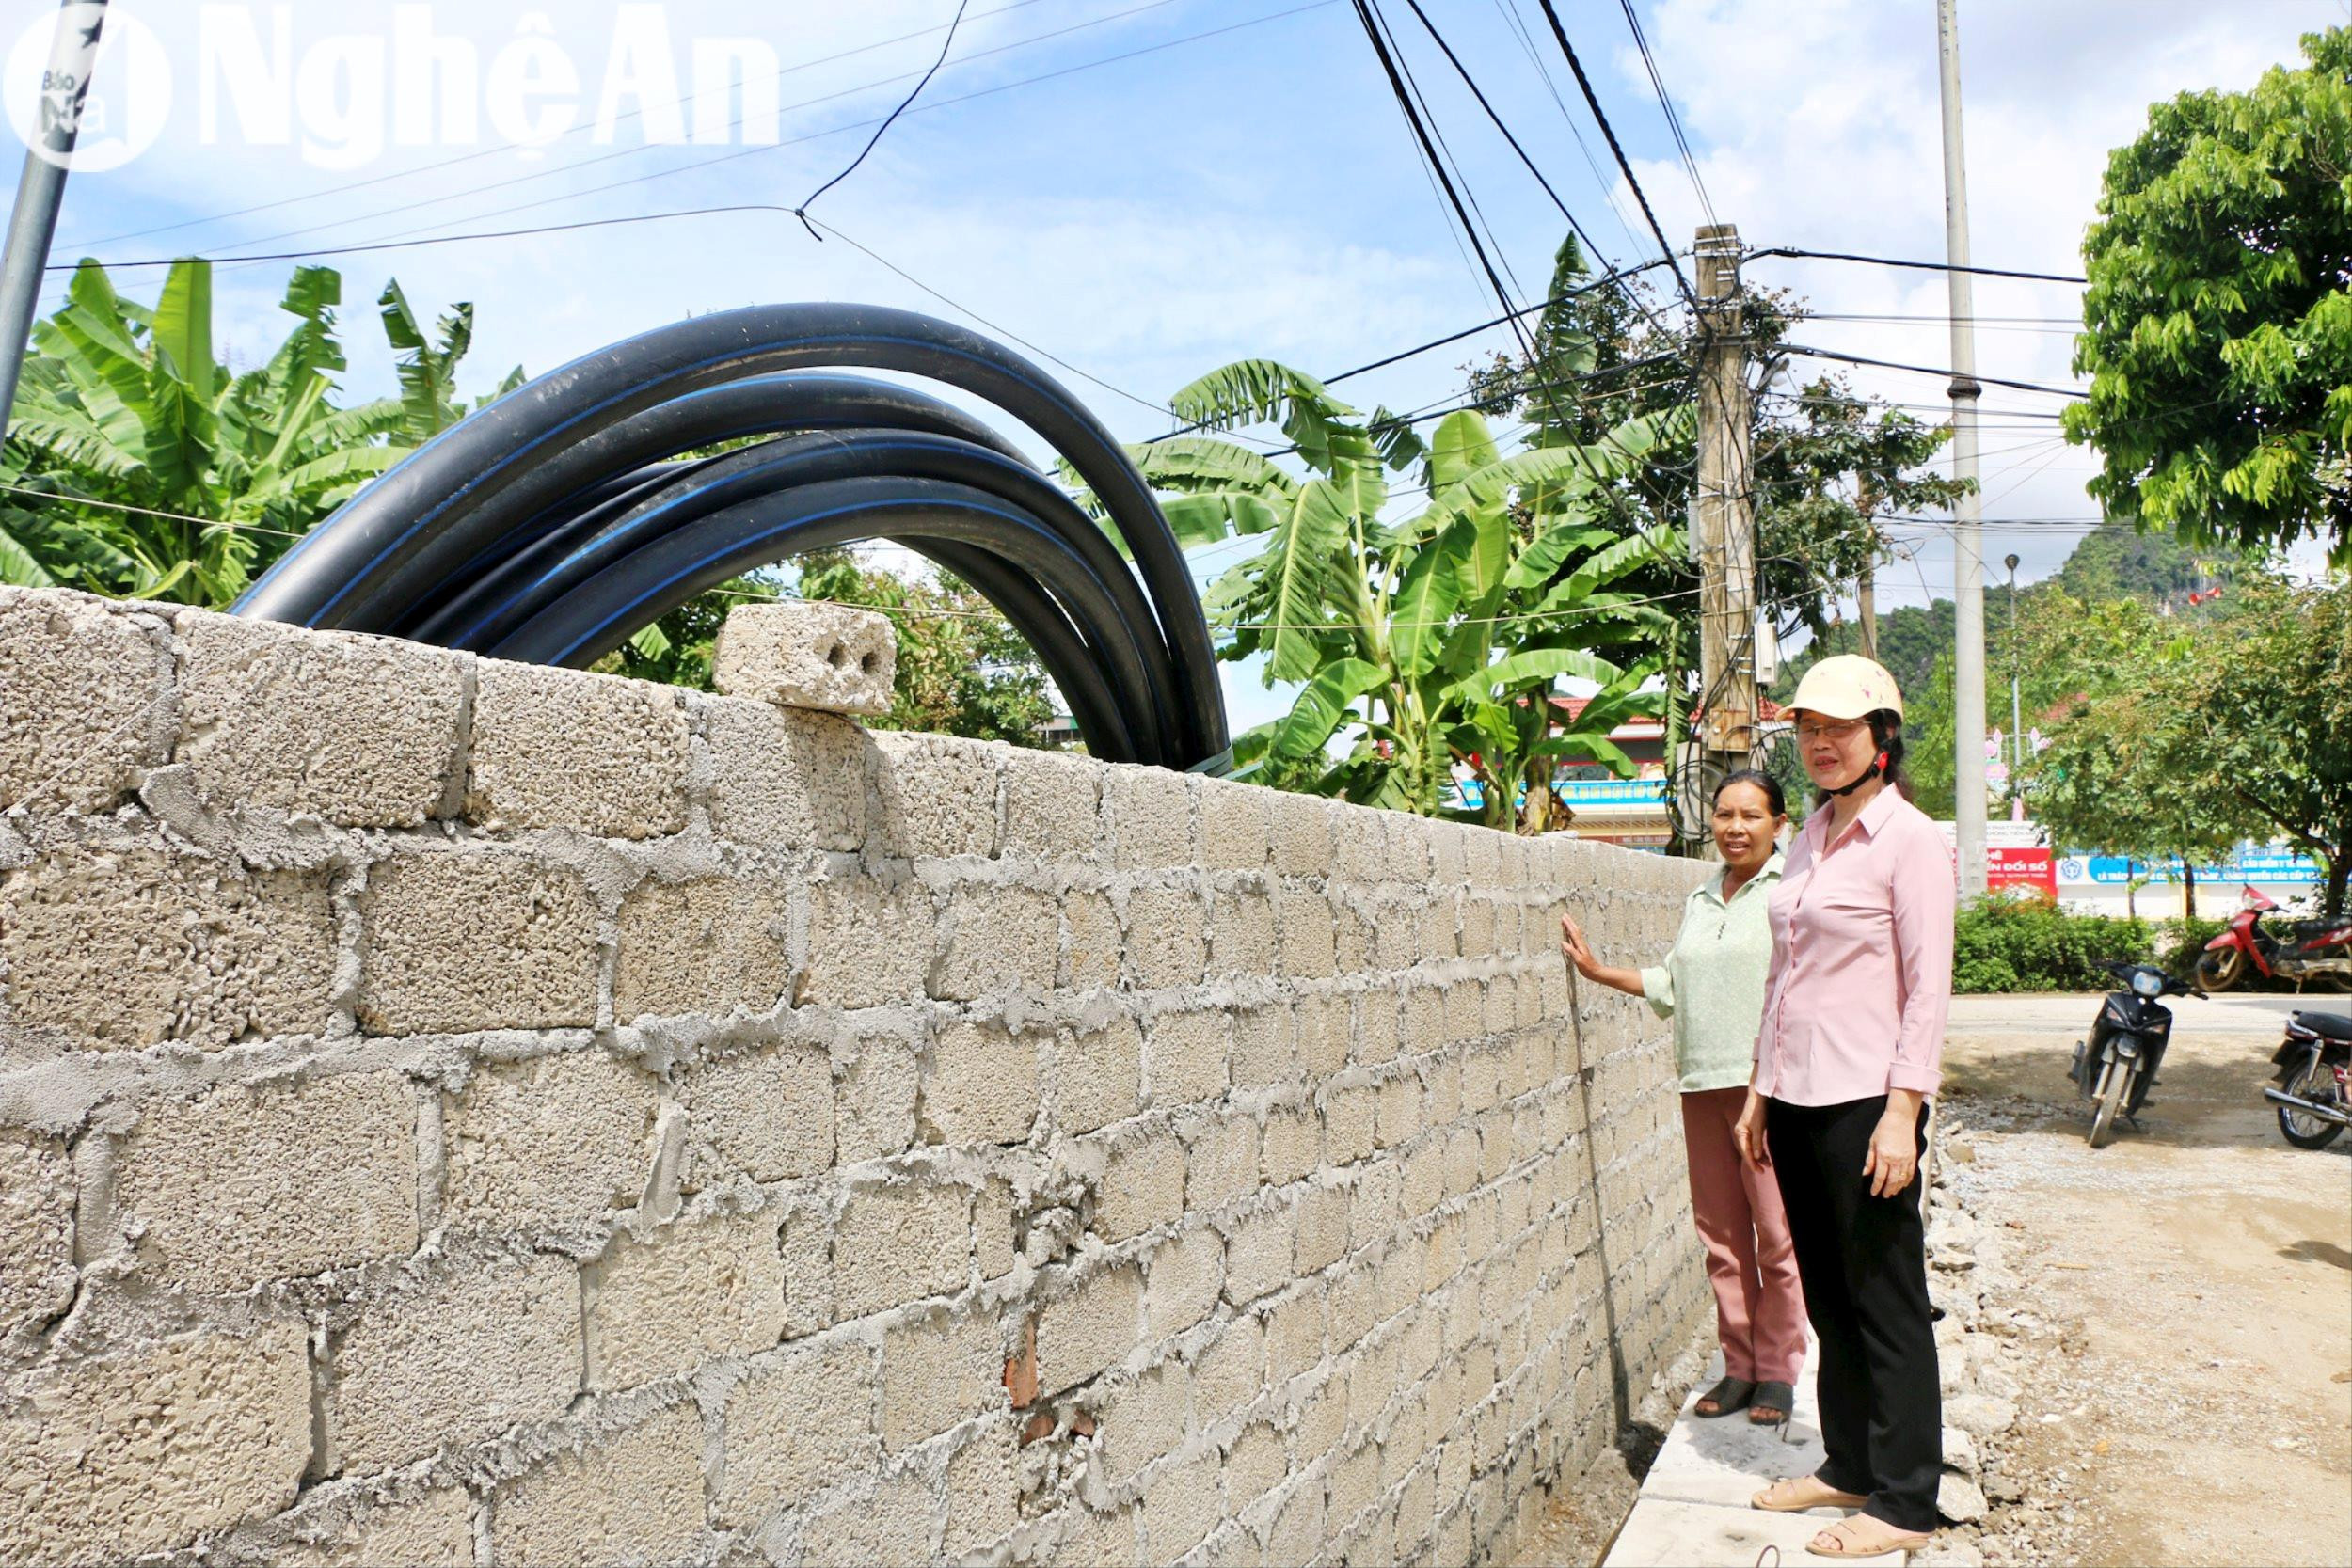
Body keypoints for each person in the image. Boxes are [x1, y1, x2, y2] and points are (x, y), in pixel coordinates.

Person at [1733, 655, 1955, 1560]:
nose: (1819, 744)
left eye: (1839, 729)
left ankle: (1905, 1501)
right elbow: (1786, 973)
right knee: (1828, 1296)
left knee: (1886, 1301)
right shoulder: (1808, 836)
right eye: (1807, 729)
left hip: (1869, 1100)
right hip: (1794, 1098)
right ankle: (1849, 1465)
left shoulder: (1912, 841)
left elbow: (1927, 988)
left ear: (1882, 739)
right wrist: (1757, 1089)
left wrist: (1905, 1111)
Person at [1560, 770, 1806, 1428]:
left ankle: (1779, 1370)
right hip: (1701, 1083)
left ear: (1779, 823)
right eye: (1724, 813)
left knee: (1777, 1237)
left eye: (1751, 814)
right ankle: (1741, 1365)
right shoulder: (1701, 897)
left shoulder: (1791, 893)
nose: (1734, 826)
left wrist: (1770, 1082)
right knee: (1721, 1236)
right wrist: (1599, 971)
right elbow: (1674, 978)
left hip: (1768, 1089)